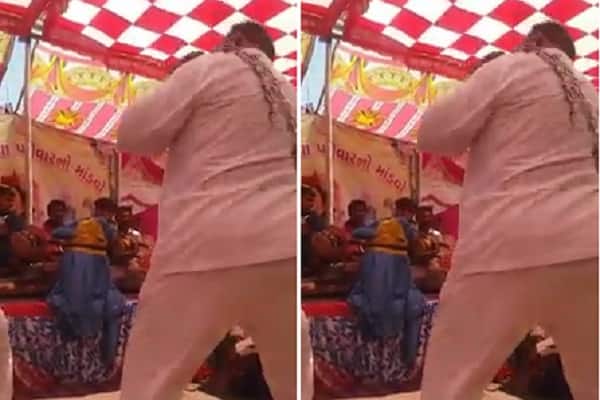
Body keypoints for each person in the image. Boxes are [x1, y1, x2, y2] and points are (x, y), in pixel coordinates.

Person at [417, 21, 598, 400]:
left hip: (505, 247)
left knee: (451, 386)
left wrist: (480, 86)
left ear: (535, 41)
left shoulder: (512, 67)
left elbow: (433, 133)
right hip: (590, 247)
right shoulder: (592, 98)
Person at [117, 21, 296, 400]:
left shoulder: (210, 67)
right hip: (283, 249)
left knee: (152, 382)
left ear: (233, 41)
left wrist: (177, 81)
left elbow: (132, 133)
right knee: (292, 381)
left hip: (205, 246)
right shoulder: (289, 92)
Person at [46, 197, 125, 365]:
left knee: (82, 301)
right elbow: (58, 233)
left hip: (83, 264)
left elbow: (59, 232)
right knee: (106, 305)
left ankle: (101, 355)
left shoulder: (99, 225)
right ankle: (106, 357)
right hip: (88, 265)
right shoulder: (97, 225)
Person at [347, 214, 425, 364]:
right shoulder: (401, 240)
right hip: (394, 322)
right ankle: (408, 357)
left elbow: (358, 233)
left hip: (375, 332)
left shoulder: (378, 256)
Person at [411, 206, 447, 293]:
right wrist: (435, 253)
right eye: (424, 217)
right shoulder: (412, 235)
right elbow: (417, 258)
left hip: (434, 274)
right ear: (417, 218)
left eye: (429, 216)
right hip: (419, 274)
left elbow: (442, 253)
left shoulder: (436, 235)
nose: (427, 220)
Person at [0, 185, 24, 274]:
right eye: (7, 200)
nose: (11, 204)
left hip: (9, 265)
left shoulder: (16, 220)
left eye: (11, 201)